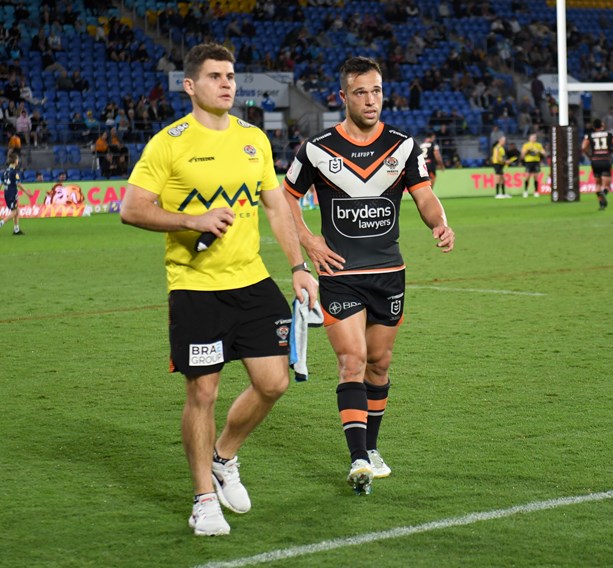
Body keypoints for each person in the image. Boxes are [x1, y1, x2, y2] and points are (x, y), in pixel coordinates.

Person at [119, 43, 319, 537]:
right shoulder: (169, 143)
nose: (227, 83)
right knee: (202, 392)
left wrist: (298, 265)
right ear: (191, 86)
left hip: (251, 280)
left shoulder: (253, 140)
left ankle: (223, 457)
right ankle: (203, 500)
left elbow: (275, 207)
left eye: (231, 75)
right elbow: (132, 208)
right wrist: (194, 219)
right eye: (215, 76)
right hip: (195, 287)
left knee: (274, 382)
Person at [282, 56, 455, 496]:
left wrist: (439, 223)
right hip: (339, 275)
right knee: (352, 361)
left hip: (389, 275)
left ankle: (372, 450)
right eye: (360, 92)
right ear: (343, 97)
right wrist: (309, 241)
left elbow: (425, 195)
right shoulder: (317, 150)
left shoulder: (403, 146)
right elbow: (283, 201)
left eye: (376, 90)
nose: (371, 99)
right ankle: (357, 457)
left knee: (379, 363)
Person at [581, 118, 613, 210]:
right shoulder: (609, 134)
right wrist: (611, 151)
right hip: (606, 159)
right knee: (607, 185)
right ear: (602, 125)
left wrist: (589, 155)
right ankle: (604, 193)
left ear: (594, 127)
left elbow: (583, 147)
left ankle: (601, 204)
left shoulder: (589, 135)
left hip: (595, 160)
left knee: (597, 183)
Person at [1, 153, 31, 235]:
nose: (18, 161)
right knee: (14, 212)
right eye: (17, 159)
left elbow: (0, 184)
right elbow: (18, 184)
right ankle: (1, 223)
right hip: (12, 193)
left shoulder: (4, 172)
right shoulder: (14, 172)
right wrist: (27, 192)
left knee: (17, 210)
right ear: (15, 161)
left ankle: (16, 230)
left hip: (6, 193)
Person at [519, 132, 546, 198]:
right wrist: (527, 150)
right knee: (527, 176)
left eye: (535, 137)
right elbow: (522, 156)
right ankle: (525, 191)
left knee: (536, 177)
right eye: (533, 137)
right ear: (529, 138)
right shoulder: (526, 145)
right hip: (528, 162)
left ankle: (536, 191)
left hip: (536, 162)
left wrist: (539, 151)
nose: (534, 138)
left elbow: (544, 153)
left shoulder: (538, 145)